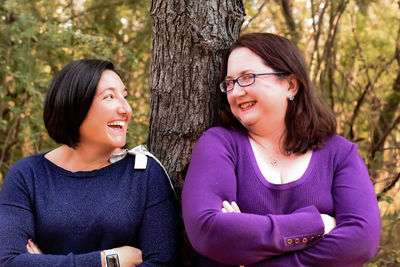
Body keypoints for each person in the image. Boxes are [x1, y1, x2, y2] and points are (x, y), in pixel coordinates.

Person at [182, 33, 381, 266]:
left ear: (291, 85)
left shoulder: (339, 153)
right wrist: (316, 225)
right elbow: (208, 233)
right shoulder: (219, 144)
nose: (235, 92)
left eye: (248, 77)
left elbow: (361, 242)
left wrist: (247, 241)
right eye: (229, 83)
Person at [0, 59, 179, 267]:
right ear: (75, 105)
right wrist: (108, 261)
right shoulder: (27, 175)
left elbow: (162, 264)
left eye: (125, 96)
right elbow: (9, 262)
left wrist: (43, 263)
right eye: (109, 96)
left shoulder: (145, 174)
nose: (126, 109)